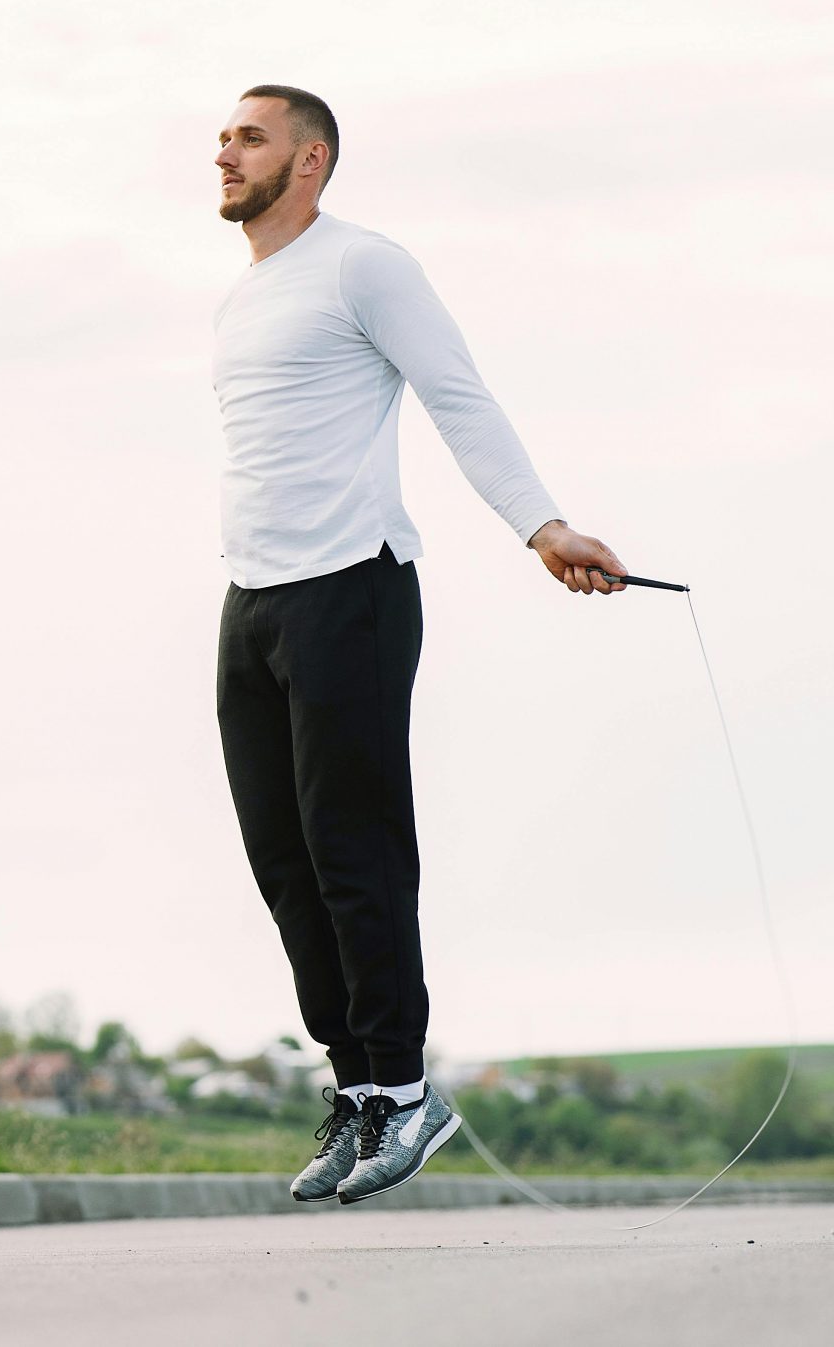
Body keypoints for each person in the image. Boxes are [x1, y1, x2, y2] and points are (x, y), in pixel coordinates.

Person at [208, 84, 627, 1204]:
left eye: (248, 136)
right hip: (252, 602)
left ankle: (404, 1089)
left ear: (311, 159)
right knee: (283, 863)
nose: (223, 152)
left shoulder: (364, 266)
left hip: (352, 584)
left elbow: (456, 395)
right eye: (222, 137)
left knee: (355, 853)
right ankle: (356, 1087)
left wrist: (539, 525)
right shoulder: (240, 299)